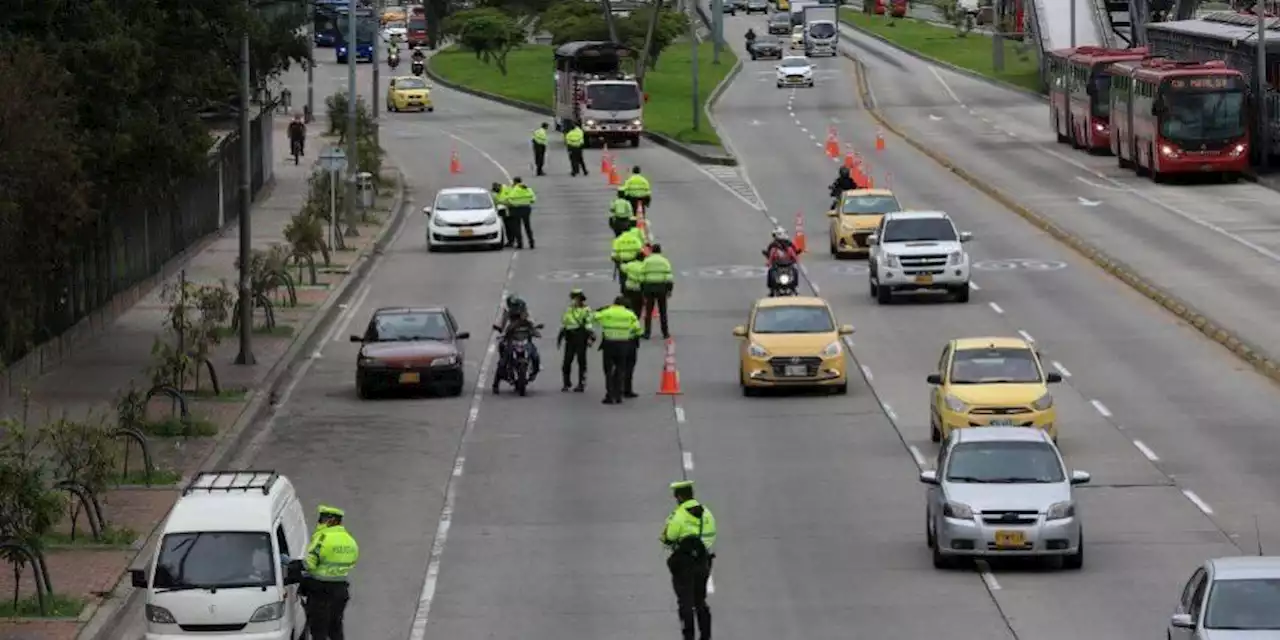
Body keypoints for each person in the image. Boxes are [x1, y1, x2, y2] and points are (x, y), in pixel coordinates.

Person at [661, 481, 716, 640]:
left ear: (678, 497)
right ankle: (706, 636)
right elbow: (711, 536)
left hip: (684, 565)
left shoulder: (678, 515)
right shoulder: (706, 513)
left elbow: (668, 537)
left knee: (685, 603)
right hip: (702, 562)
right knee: (700, 601)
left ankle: (689, 636)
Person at [303, 505, 360, 640]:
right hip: (340, 590)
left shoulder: (322, 538)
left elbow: (309, 563)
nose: (320, 522)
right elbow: (352, 562)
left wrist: (295, 565)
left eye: (322, 519)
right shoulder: (350, 540)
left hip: (320, 591)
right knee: (335, 627)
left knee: (318, 630)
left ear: (330, 520)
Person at [595, 295, 642, 404]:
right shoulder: (630, 314)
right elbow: (638, 330)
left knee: (608, 370)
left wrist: (603, 309)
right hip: (624, 344)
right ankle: (619, 394)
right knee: (621, 369)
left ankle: (609, 395)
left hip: (609, 343)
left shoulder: (607, 312)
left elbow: (592, 317)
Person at [557, 289, 594, 392]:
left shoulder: (586, 310)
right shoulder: (569, 309)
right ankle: (566, 383)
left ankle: (581, 383)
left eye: (574, 298)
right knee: (567, 361)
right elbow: (565, 321)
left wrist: (590, 337)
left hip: (580, 336)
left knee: (581, 361)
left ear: (580, 299)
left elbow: (589, 323)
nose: (572, 300)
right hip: (569, 336)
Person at [640, 243, 674, 340]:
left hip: (649, 287)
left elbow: (642, 276)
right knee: (663, 311)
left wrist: (643, 289)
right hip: (661, 287)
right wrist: (669, 289)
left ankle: (647, 333)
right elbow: (668, 276)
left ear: (652, 251)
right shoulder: (664, 261)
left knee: (648, 312)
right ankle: (665, 332)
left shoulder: (647, 261)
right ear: (660, 251)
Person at [764, 227, 801, 294]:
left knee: (795, 271)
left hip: (788, 266)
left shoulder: (789, 247)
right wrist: (768, 263)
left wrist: (795, 260)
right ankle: (772, 289)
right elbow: (770, 256)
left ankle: (794, 287)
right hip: (777, 267)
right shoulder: (773, 247)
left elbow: (794, 255)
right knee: (770, 272)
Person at [505, 177, 536, 249]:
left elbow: (509, 199)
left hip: (516, 209)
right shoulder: (527, 188)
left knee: (517, 227)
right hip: (526, 209)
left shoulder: (514, 189)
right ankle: (531, 242)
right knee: (527, 226)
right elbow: (533, 199)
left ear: (515, 182)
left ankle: (520, 244)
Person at [492, 182, 515, 247]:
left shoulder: (506, 189)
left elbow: (510, 200)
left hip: (508, 209)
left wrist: (501, 202)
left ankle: (512, 240)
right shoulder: (496, 192)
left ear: (499, 186)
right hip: (502, 210)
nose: (496, 191)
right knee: (506, 226)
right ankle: (510, 241)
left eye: (496, 189)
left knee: (511, 226)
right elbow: (495, 200)